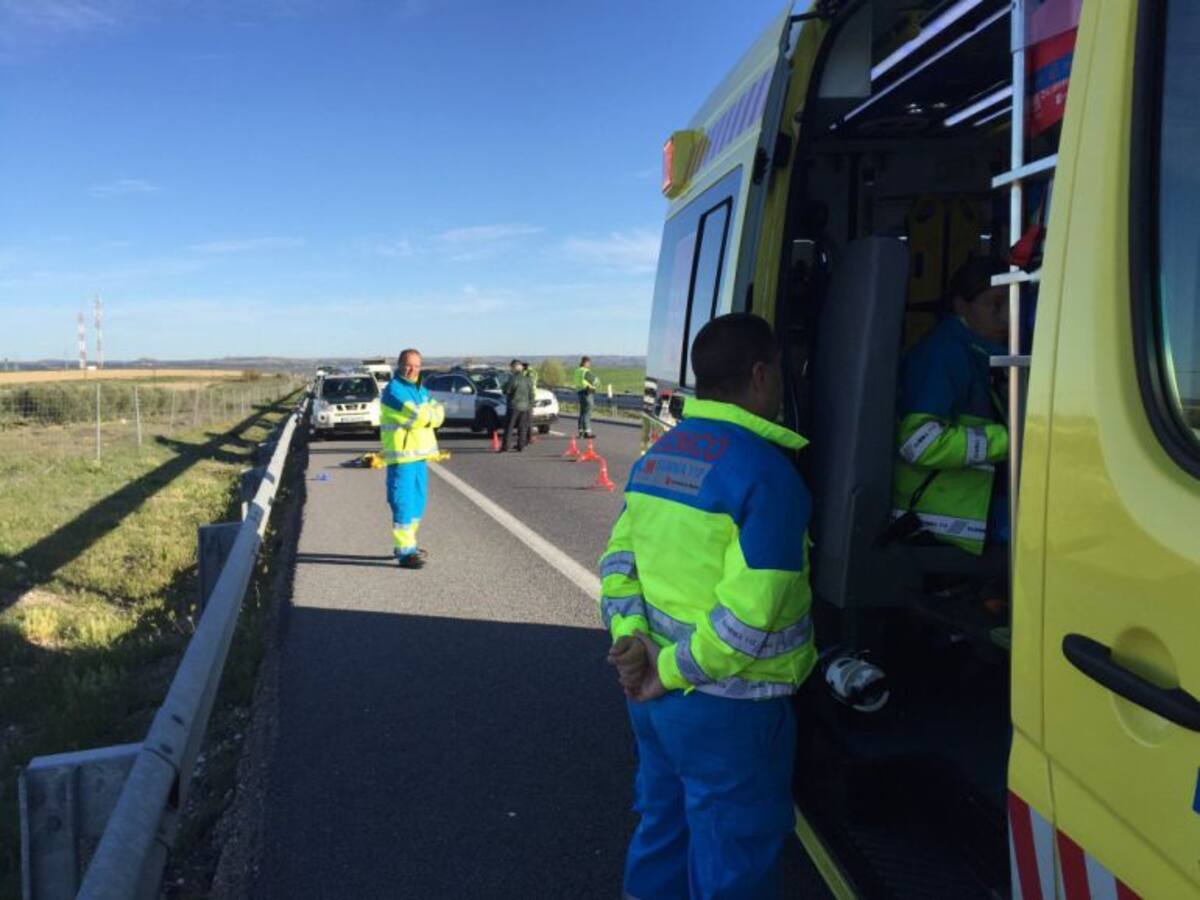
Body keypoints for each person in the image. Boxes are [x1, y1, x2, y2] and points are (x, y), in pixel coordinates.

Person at [600, 313, 817, 900]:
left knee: (663, 834)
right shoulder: (768, 477)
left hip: (655, 705)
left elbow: (620, 566)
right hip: (731, 710)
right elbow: (749, 620)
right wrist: (664, 674)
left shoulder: (657, 458)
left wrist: (631, 643)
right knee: (733, 864)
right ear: (761, 374)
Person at [892, 256, 1010, 555]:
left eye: (1012, 304)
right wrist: (1011, 439)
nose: (1007, 318)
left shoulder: (977, 354)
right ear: (961, 306)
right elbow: (918, 442)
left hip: (971, 510)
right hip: (938, 523)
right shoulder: (943, 355)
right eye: (995, 305)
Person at [379, 349, 445, 569]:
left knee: (418, 504)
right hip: (402, 459)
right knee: (403, 504)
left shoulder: (419, 388)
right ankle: (405, 552)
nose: (413, 369)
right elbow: (415, 416)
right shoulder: (393, 391)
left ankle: (409, 545)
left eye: (417, 365)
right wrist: (429, 415)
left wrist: (428, 414)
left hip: (419, 457)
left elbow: (439, 412)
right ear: (399, 365)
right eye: (408, 365)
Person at [500, 359, 534, 452]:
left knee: (509, 427)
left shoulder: (512, 379)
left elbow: (506, 391)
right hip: (525, 407)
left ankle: (505, 446)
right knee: (522, 427)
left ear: (514, 368)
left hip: (513, 406)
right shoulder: (528, 379)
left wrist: (505, 385)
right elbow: (531, 394)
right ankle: (521, 446)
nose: (510, 369)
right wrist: (529, 405)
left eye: (511, 367)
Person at [573, 355, 599, 439]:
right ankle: (587, 432)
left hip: (580, 393)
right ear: (586, 362)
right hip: (587, 392)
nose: (589, 365)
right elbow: (595, 381)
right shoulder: (586, 371)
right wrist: (596, 383)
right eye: (589, 363)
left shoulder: (577, 371)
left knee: (582, 412)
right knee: (587, 413)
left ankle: (581, 432)